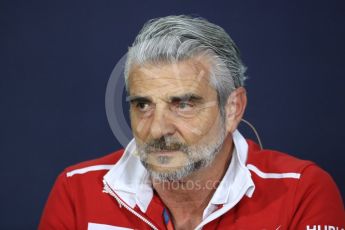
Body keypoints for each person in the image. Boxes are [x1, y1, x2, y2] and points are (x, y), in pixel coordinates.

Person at [39, 15, 345, 230]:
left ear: (233, 108)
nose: (158, 129)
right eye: (143, 104)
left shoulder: (301, 191)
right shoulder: (76, 189)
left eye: (183, 104)